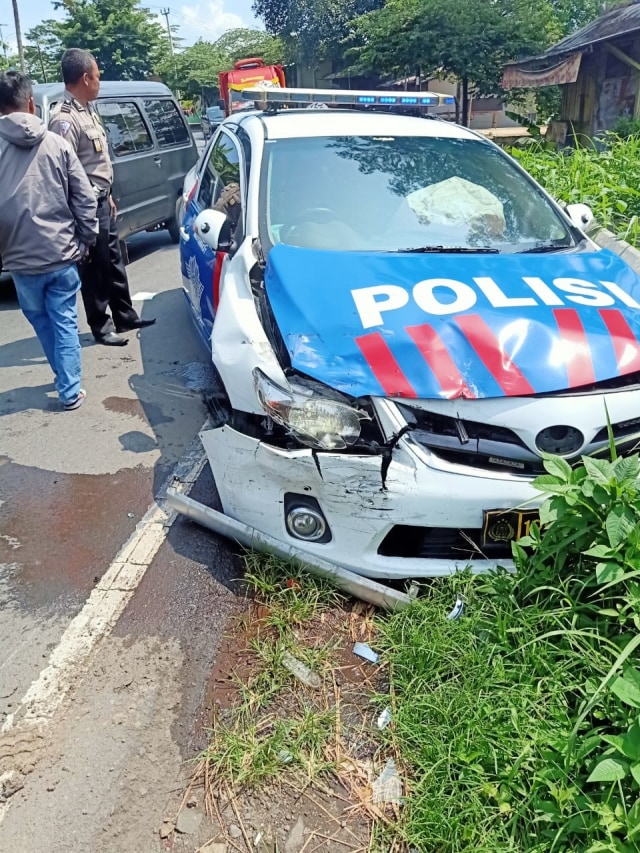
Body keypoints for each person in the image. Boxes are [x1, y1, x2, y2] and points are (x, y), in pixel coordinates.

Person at [0, 70, 98, 411]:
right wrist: (87, 238)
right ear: (30, 102)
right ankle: (69, 388)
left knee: (42, 322)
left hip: (19, 260)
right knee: (65, 321)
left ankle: (64, 378)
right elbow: (84, 198)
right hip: (61, 253)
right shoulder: (56, 143)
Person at [48, 47, 155, 347]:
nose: (99, 82)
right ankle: (101, 324)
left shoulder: (87, 110)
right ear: (84, 78)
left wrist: (107, 194)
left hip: (100, 198)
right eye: (97, 77)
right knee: (95, 267)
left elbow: (96, 162)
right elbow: (62, 172)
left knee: (113, 259)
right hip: (84, 206)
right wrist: (79, 211)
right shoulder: (64, 120)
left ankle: (124, 315)